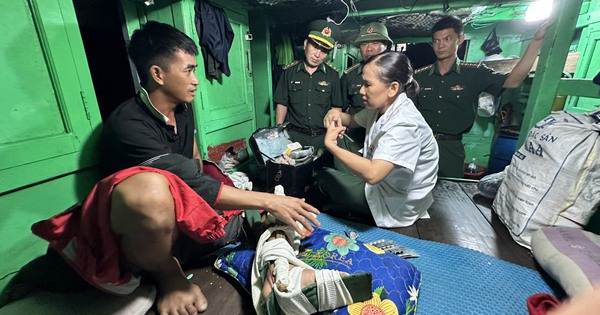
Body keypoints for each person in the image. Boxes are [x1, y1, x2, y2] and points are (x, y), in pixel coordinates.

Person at [1, 21, 320, 315]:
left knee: (249, 223)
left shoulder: (183, 109)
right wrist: (269, 199)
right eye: (189, 70)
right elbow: (191, 187)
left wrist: (258, 206)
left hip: (176, 217)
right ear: (158, 73)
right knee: (157, 188)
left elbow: (195, 168)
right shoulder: (129, 126)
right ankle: (166, 274)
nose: (197, 80)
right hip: (131, 234)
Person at [413, 15, 552, 178]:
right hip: (419, 145)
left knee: (450, 196)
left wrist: (536, 42)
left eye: (447, 39)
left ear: (460, 39)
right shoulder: (419, 77)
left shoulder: (474, 73)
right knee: (411, 191)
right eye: (436, 41)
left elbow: (512, 82)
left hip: (451, 149)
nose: (441, 45)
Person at [316, 51, 439, 228]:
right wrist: (335, 113)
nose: (361, 90)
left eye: (367, 85)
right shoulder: (382, 105)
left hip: (394, 201)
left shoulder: (404, 124)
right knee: (342, 139)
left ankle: (341, 210)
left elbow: (373, 175)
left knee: (324, 176)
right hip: (385, 181)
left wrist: (331, 146)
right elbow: (351, 121)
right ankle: (348, 196)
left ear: (393, 88)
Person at [273, 20, 344, 151]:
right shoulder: (289, 73)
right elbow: (282, 104)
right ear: (306, 44)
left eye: (324, 51)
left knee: (324, 171)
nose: (317, 55)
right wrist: (279, 132)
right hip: (294, 137)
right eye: (315, 47)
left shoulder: (332, 75)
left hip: (323, 138)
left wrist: (334, 133)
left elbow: (336, 108)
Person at [340, 22, 392, 144]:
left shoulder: (395, 75)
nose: (369, 48)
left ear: (386, 46)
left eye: (375, 43)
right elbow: (340, 108)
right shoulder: (350, 76)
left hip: (387, 141)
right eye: (364, 44)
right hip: (355, 139)